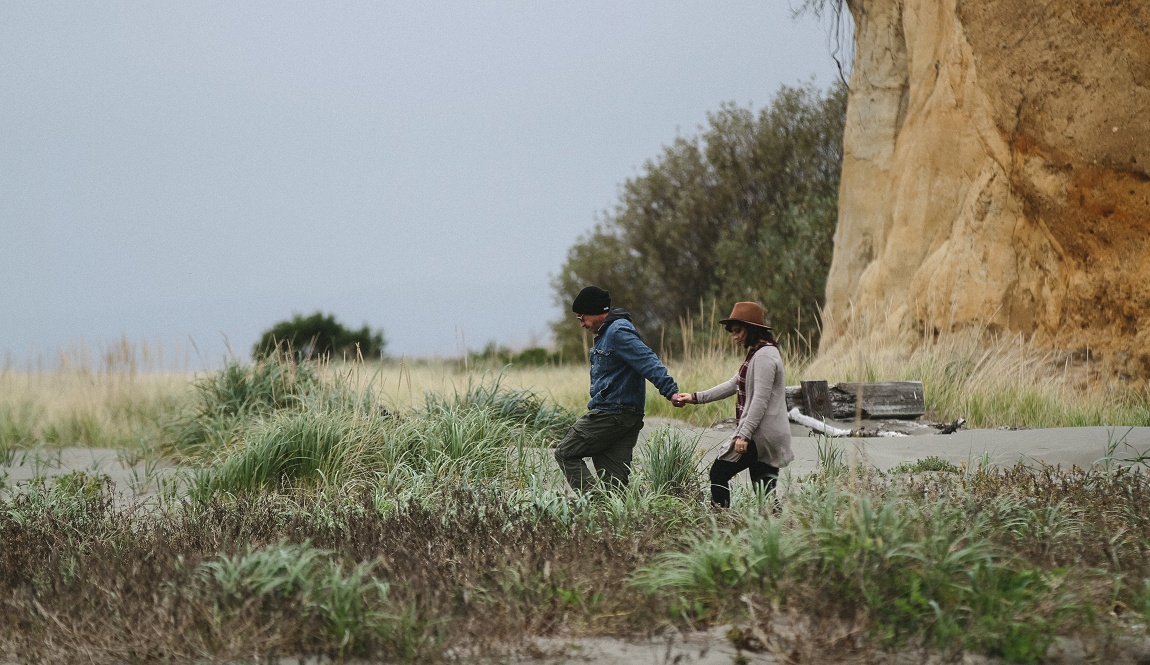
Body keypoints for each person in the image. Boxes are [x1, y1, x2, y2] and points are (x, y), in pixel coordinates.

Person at [554, 286, 679, 493]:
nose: (582, 324)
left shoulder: (618, 331)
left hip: (610, 415)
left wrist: (670, 391)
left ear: (594, 311)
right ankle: (614, 518)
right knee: (616, 489)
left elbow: (647, 361)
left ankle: (596, 505)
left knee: (565, 453)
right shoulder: (610, 332)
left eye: (581, 318)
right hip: (626, 418)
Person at [672, 302, 793, 508]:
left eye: (738, 331)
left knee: (718, 472)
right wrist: (694, 397)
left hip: (760, 436)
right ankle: (774, 532)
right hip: (764, 434)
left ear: (752, 329)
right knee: (765, 493)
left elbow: (760, 400)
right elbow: (732, 384)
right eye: (733, 332)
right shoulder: (758, 353)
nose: (734, 336)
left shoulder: (764, 356)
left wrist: (744, 435)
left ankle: (721, 523)